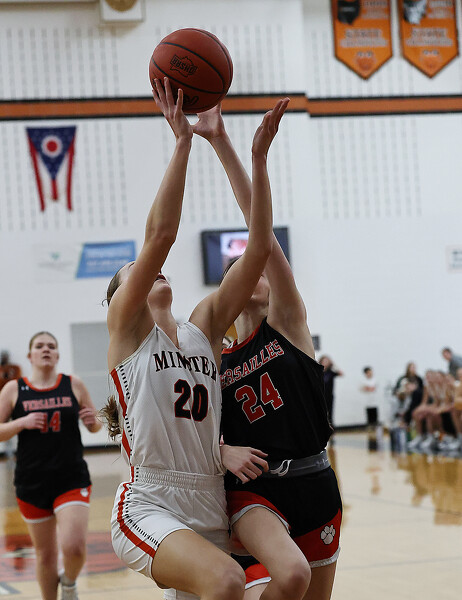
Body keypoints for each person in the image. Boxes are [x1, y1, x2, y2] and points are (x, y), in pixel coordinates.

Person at [101, 77, 289, 600]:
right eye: (135, 271)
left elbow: (258, 250)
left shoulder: (202, 327)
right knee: (228, 581)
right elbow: (161, 236)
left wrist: (252, 158)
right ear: (121, 298)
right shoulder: (128, 330)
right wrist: (183, 142)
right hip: (150, 500)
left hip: (208, 497)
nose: (150, 268)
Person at [193, 103, 342, 600]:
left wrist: (242, 151)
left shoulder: (289, 323)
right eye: (241, 269)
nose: (255, 270)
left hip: (316, 479)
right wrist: (219, 450)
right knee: (292, 575)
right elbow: (187, 427)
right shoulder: (211, 356)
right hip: (255, 491)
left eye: (257, 266)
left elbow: (264, 235)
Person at [0, 331, 101, 600]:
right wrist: (21, 422)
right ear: (30, 355)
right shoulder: (14, 389)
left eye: (51, 346)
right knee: (45, 555)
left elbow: (95, 425)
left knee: (74, 547)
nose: (46, 349)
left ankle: (69, 582)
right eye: (39, 346)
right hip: (31, 482)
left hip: (71, 478)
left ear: (57, 355)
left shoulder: (73, 384)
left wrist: (93, 421)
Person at [319, 356, 343, 428]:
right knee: (321, 412)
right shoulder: (318, 371)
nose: (325, 363)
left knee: (330, 412)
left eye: (327, 361)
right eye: (324, 361)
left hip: (329, 396)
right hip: (320, 396)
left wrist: (333, 365)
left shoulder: (331, 372)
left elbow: (341, 373)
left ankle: (330, 427)